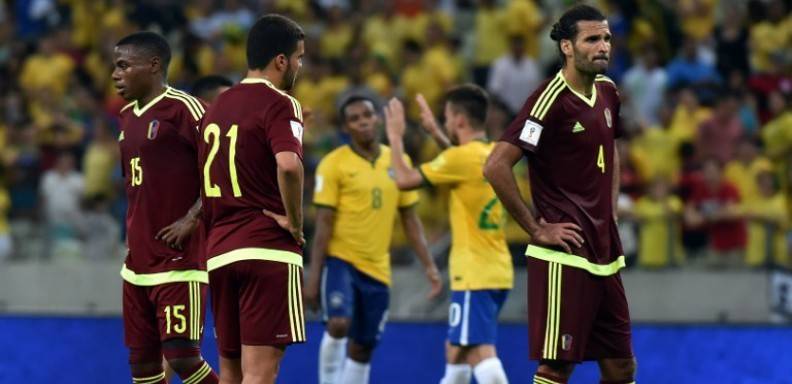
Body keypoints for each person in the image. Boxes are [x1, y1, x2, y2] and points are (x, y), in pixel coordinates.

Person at [482, 5, 637, 384]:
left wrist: (610, 208)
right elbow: (495, 166)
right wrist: (536, 229)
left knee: (621, 368)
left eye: (607, 39)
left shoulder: (607, 91)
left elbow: (611, 147)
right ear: (566, 46)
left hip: (605, 251)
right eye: (592, 39)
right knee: (557, 367)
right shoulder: (549, 101)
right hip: (563, 256)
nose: (603, 47)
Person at [197, 14, 306, 384]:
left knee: (230, 371)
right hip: (266, 250)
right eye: (299, 58)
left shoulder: (216, 108)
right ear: (281, 61)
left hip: (220, 253)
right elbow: (289, 166)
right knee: (260, 373)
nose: (300, 66)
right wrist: (295, 221)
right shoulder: (281, 102)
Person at [307, 95, 442, 384]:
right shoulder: (333, 164)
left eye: (367, 114)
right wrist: (314, 276)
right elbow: (323, 224)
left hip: (378, 268)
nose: (363, 122)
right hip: (341, 260)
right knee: (339, 323)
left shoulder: (399, 161)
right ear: (345, 127)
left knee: (363, 347)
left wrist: (429, 265)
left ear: (378, 118)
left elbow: (411, 219)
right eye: (354, 119)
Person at [384, 84, 513, 384]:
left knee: (480, 353)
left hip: (474, 273)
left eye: (445, 119)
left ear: (459, 121)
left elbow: (404, 179)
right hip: (497, 269)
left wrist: (394, 134)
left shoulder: (462, 158)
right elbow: (460, 162)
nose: (443, 124)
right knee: (454, 351)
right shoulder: (493, 153)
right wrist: (435, 133)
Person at [112, 31, 217, 384]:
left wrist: (192, 217)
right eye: (115, 66)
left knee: (183, 357)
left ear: (153, 65)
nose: (115, 74)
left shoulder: (185, 109)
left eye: (124, 65)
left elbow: (220, 170)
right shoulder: (126, 117)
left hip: (179, 259)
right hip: (137, 261)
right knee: (143, 366)